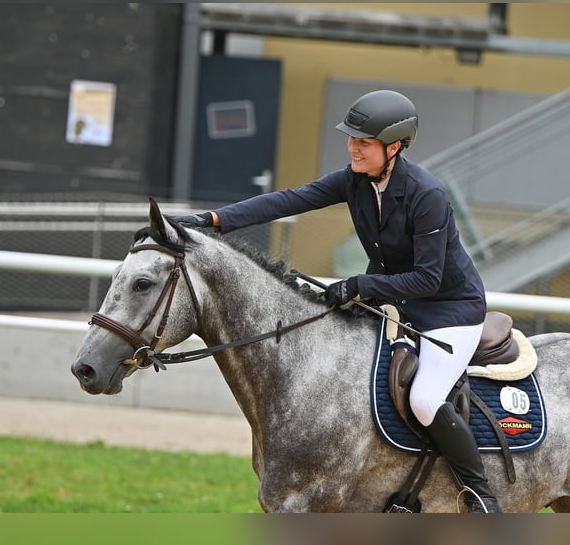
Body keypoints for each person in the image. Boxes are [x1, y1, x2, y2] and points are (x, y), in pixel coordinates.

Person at [176, 89, 501, 513]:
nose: (352, 148)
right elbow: (288, 199)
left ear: (395, 146)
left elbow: (427, 278)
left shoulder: (427, 195)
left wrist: (359, 286)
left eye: (363, 142)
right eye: (351, 139)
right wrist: (211, 221)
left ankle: (481, 497)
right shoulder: (355, 180)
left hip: (448, 311)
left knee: (423, 398)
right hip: (397, 304)